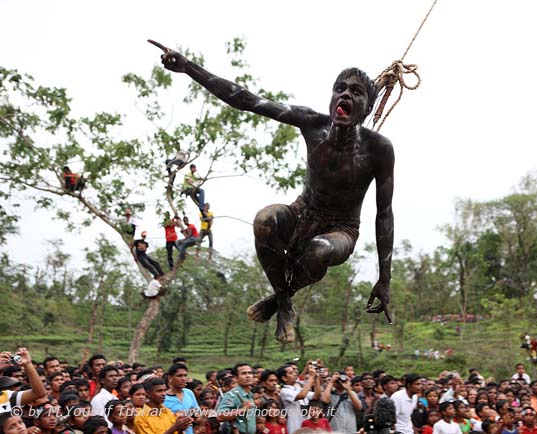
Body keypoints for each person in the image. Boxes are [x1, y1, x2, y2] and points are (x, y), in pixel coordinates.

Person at [153, 40, 395, 344]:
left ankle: (281, 298)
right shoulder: (312, 123)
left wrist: (384, 279)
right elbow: (246, 99)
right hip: (302, 212)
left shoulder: (379, 149)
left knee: (319, 249)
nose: (345, 94)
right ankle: (283, 301)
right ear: (332, 97)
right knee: (265, 219)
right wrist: (188, 68)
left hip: (340, 230)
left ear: (368, 108)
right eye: (340, 88)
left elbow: (384, 215)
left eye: (356, 91)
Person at [278, 363, 321, 434]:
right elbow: (301, 396)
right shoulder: (284, 391)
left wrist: (316, 379)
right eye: (291, 373)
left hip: (306, 427)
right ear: (284, 378)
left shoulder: (299, 389)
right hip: (294, 428)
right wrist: (311, 377)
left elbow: (317, 396)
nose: (295, 374)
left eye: (294, 372)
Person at [217, 363, 257, 434]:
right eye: (244, 373)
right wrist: (243, 409)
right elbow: (220, 416)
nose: (248, 376)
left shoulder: (249, 394)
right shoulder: (232, 395)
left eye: (249, 373)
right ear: (236, 378)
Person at [163, 364, 200, 434]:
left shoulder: (189, 393)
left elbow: (198, 414)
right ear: (170, 378)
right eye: (179, 376)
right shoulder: (163, 397)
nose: (183, 379)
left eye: (185, 376)